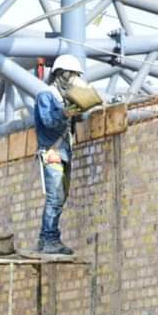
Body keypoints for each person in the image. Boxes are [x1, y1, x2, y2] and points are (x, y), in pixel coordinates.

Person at [33, 54, 98, 255]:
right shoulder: (46, 95)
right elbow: (48, 122)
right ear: (61, 75)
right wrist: (65, 113)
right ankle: (50, 239)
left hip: (64, 153)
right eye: (72, 76)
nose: (74, 81)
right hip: (52, 152)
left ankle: (47, 239)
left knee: (60, 198)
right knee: (55, 197)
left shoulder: (61, 98)